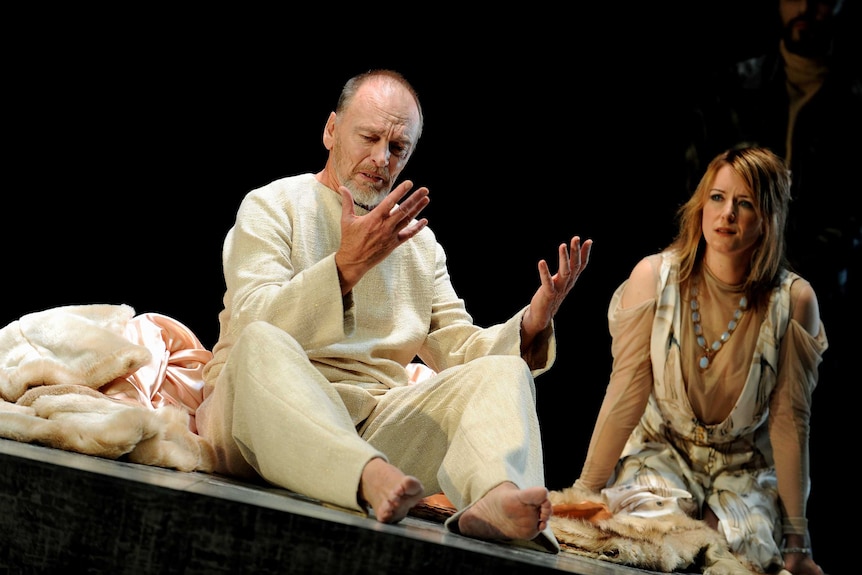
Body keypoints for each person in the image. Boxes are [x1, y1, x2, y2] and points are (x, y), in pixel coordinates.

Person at [194, 69, 593, 553]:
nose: (381, 159)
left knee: (505, 370)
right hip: (260, 418)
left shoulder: (420, 247)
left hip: (372, 422)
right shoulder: (273, 205)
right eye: (369, 138)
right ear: (331, 131)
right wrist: (345, 267)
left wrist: (533, 321)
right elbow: (255, 320)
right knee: (260, 340)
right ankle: (365, 476)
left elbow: (460, 349)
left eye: (398, 148)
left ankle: (495, 497)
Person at [567, 147, 826, 574]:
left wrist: (798, 537)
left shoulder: (793, 301)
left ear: (768, 219)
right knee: (645, 538)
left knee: (739, 553)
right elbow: (627, 390)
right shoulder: (654, 277)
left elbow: (790, 420)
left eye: (745, 204)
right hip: (661, 450)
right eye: (718, 198)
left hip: (745, 467)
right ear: (700, 205)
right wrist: (585, 490)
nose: (727, 214)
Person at [687, 0, 860, 377]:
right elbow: (695, 195)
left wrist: (788, 277)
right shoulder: (732, 88)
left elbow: (853, 219)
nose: (807, 5)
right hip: (724, 298)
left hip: (824, 307)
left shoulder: (854, 103)